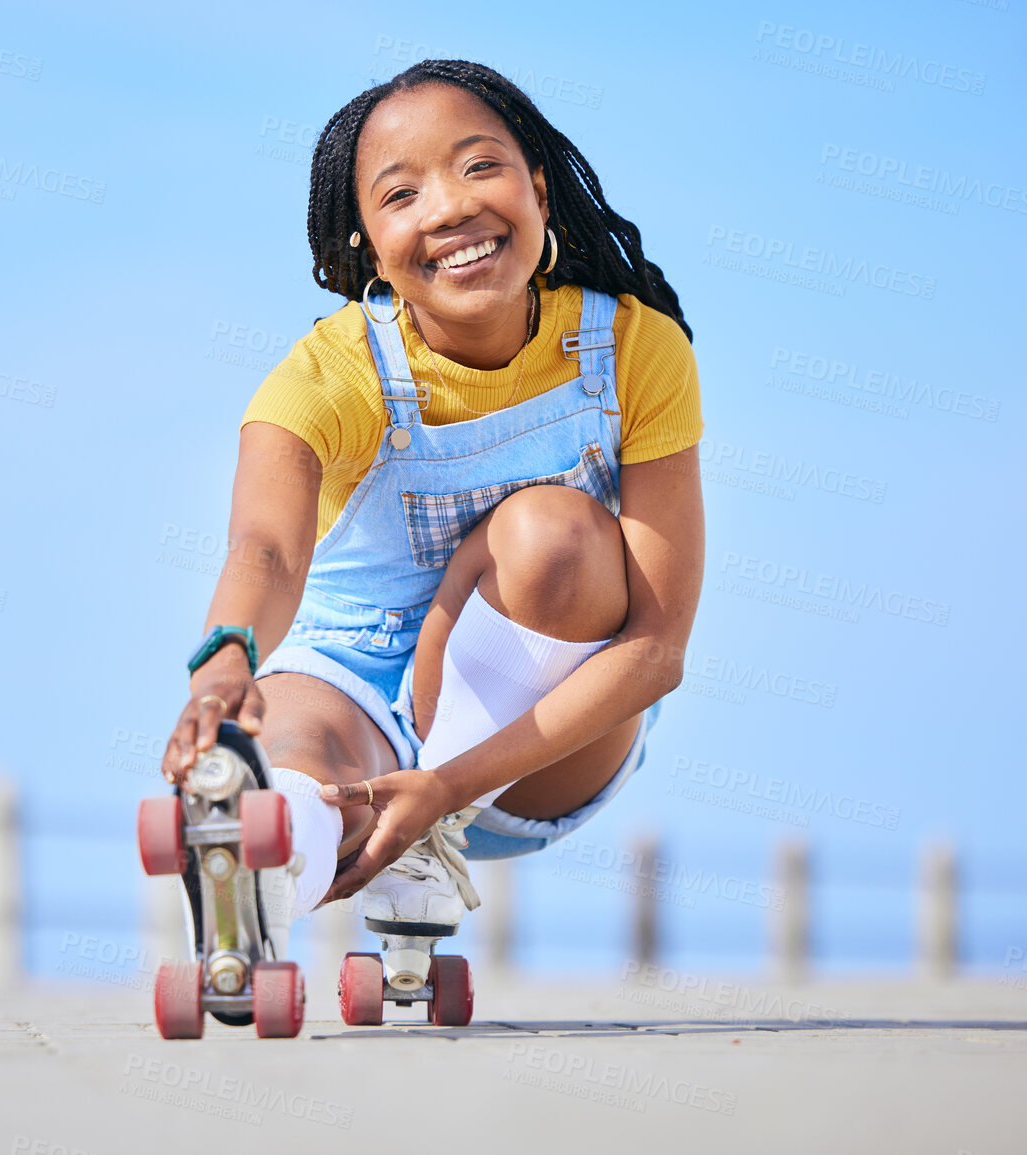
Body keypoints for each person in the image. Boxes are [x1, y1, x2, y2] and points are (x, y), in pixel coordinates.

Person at [162, 59, 704, 954]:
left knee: (555, 533)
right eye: (401, 194)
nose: (449, 208)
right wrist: (224, 664)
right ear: (368, 246)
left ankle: (425, 844)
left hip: (531, 747)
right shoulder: (326, 376)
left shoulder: (637, 350)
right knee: (292, 758)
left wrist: (446, 787)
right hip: (351, 677)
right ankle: (254, 886)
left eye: (478, 166)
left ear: (536, 187)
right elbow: (267, 550)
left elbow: (655, 649)